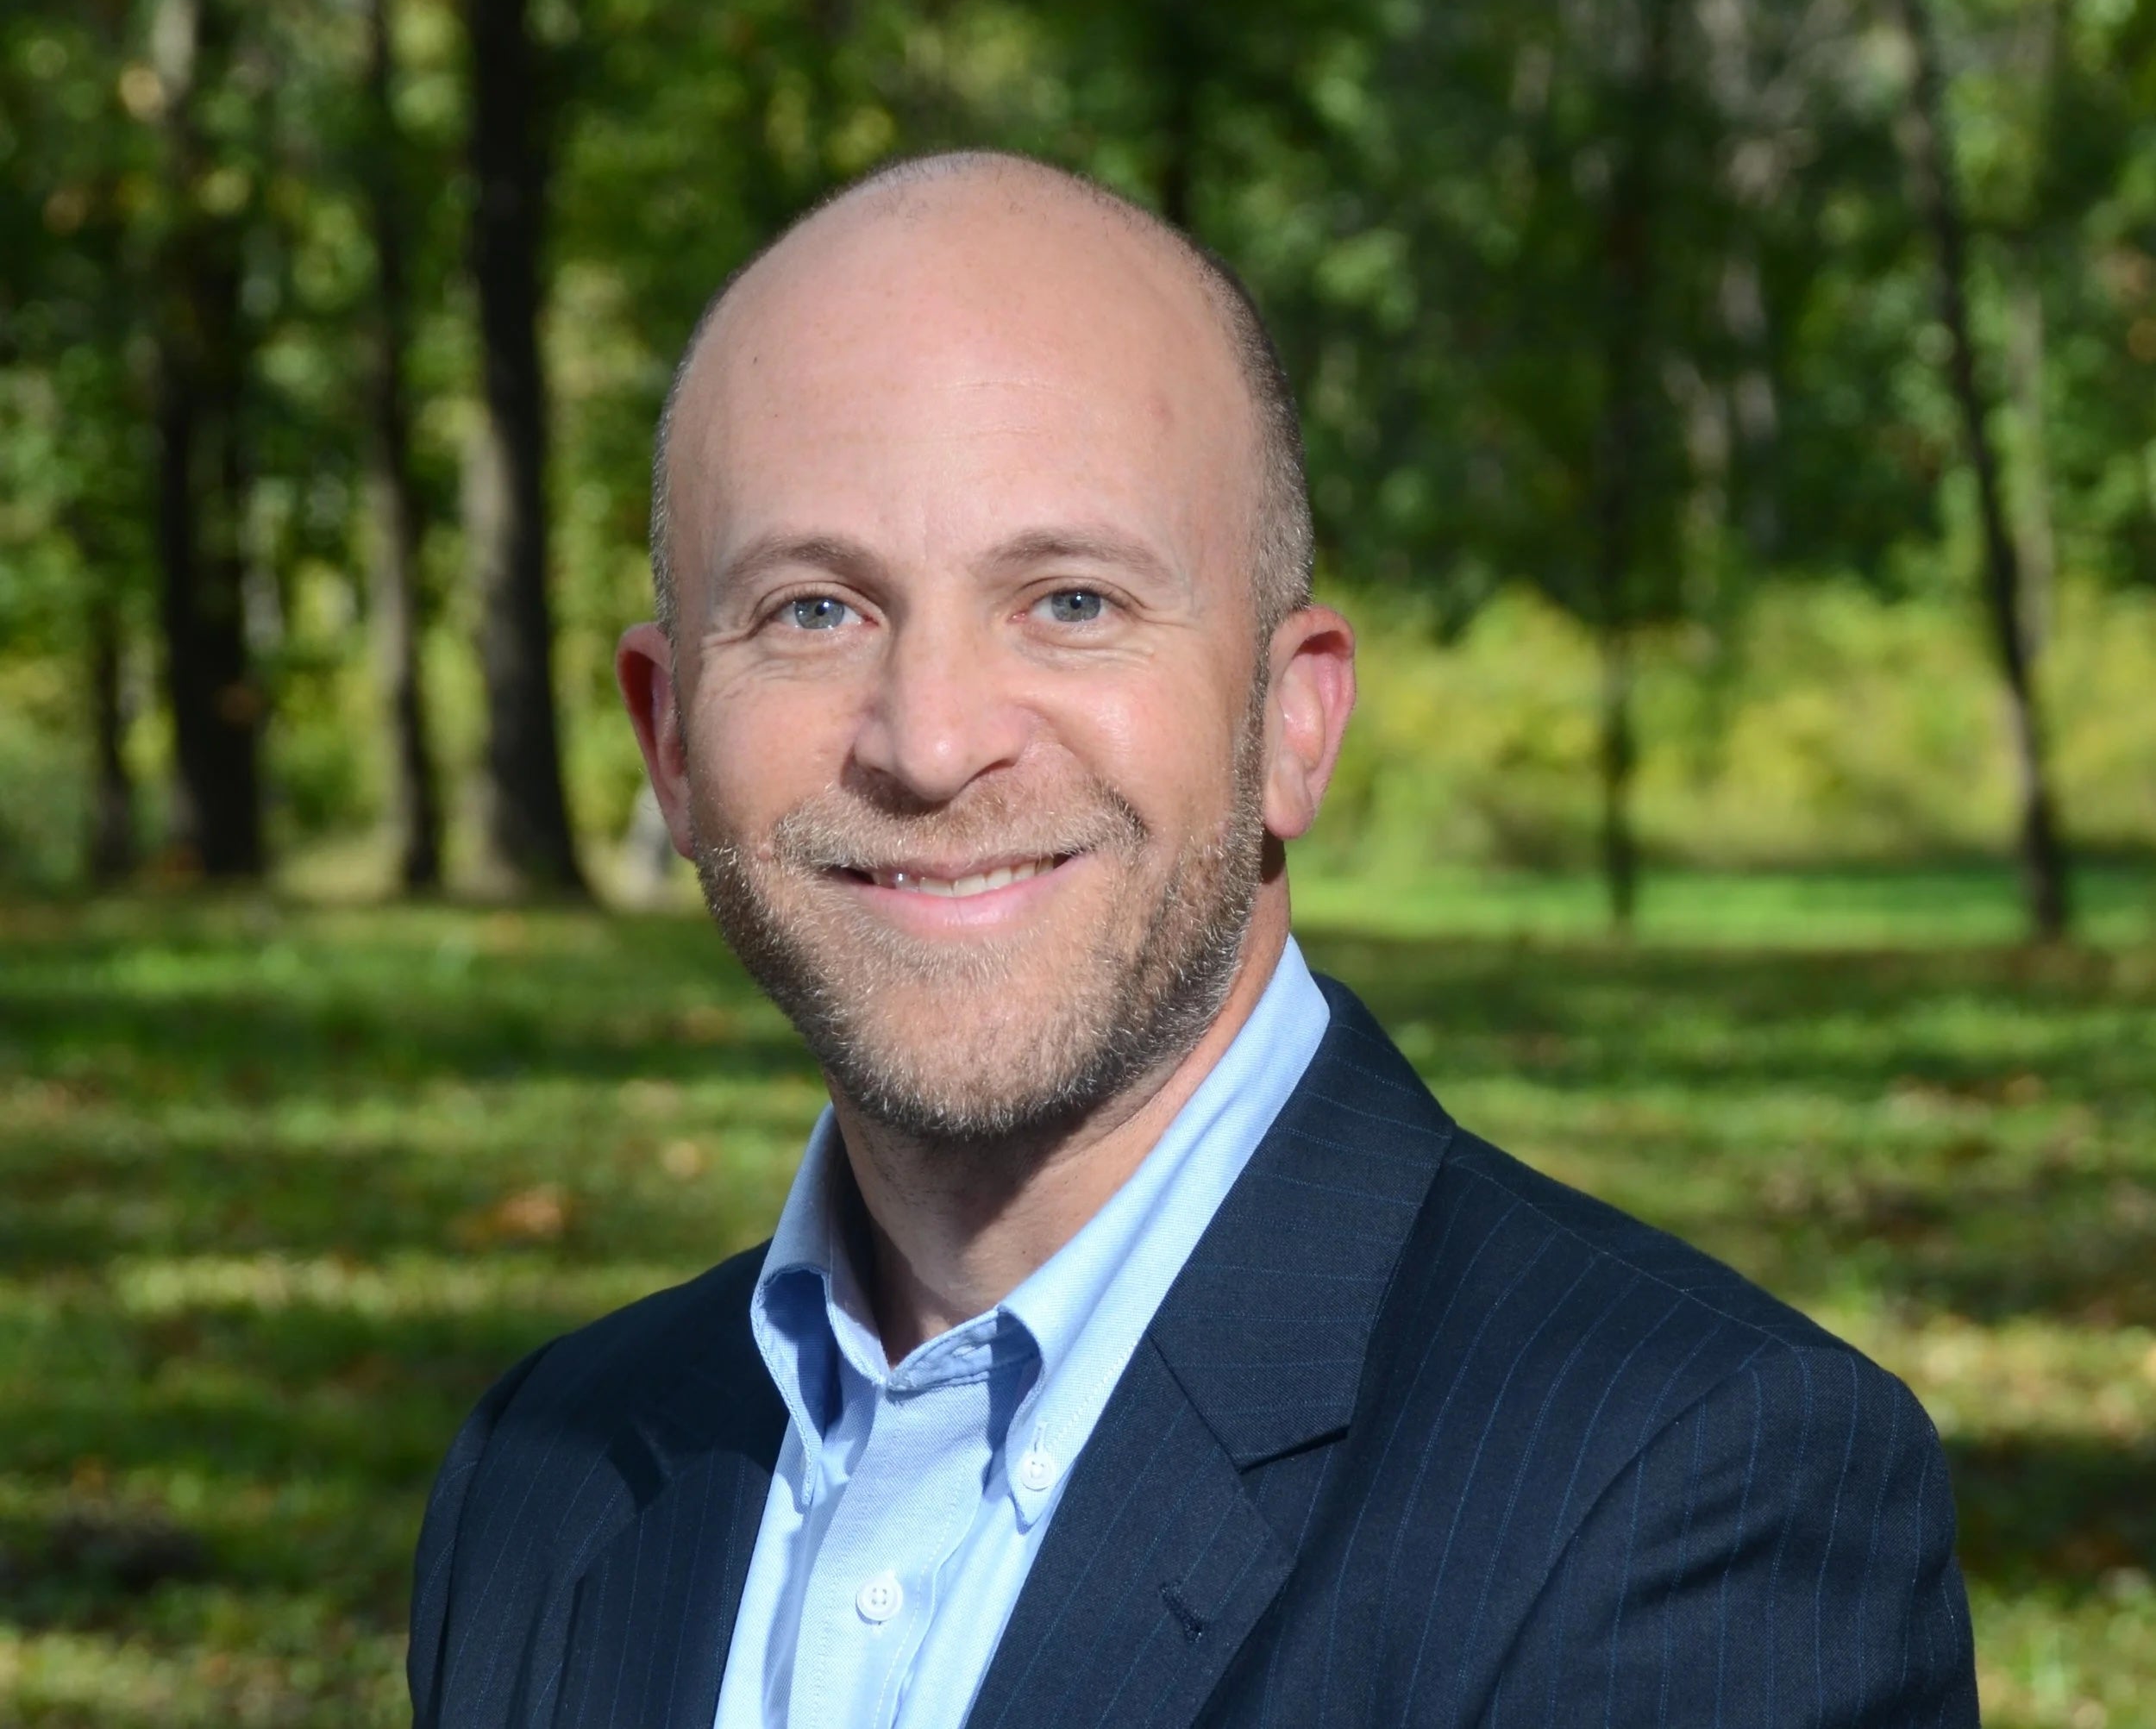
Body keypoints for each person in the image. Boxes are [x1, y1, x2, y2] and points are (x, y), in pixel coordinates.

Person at [408, 152, 1978, 1729]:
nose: (934, 740)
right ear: (670, 741)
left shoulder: (1688, 1490)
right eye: (816, 610)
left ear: (1295, 720)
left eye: (1073, 600)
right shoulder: (548, 1473)